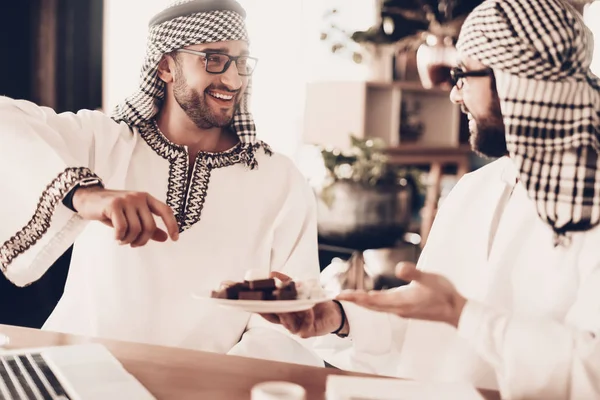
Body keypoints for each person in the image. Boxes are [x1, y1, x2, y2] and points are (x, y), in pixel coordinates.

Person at [263, 0, 600, 397]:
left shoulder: (588, 202)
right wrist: (338, 317)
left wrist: (464, 315)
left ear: (515, 78)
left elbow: (589, 372)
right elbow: (428, 337)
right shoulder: (476, 188)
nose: (455, 96)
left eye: (463, 75)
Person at [0, 0, 322, 366]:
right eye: (213, 58)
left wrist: (202, 387)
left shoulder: (280, 181)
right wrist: (84, 193)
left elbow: (289, 327)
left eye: (241, 61)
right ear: (166, 67)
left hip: (209, 388)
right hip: (76, 373)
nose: (234, 80)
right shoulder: (103, 142)